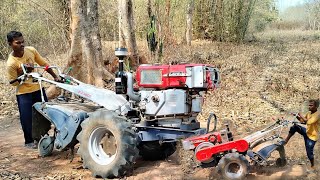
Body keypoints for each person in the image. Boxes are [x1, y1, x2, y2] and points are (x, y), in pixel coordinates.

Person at [6, 31, 59, 149]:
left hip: (37, 88)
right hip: (23, 93)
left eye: (22, 41)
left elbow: (44, 64)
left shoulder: (31, 51)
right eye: (17, 42)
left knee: (44, 113)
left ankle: (43, 137)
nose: (21, 44)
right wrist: (23, 73)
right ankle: (29, 141)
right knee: (27, 118)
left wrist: (55, 76)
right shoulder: (11, 63)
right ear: (10, 44)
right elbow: (13, 83)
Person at [284, 99, 320, 171]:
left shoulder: (318, 114)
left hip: (312, 137)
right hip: (307, 132)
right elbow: (302, 121)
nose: (309, 107)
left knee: (309, 154)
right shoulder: (309, 113)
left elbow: (308, 122)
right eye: (309, 105)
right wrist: (297, 116)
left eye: (311, 105)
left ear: (316, 106)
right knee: (295, 127)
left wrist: (300, 114)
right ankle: (286, 140)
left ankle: (313, 165)